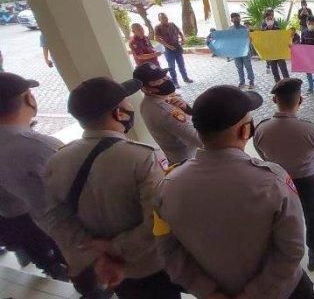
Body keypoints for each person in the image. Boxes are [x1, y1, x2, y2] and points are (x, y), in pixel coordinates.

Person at [154, 85, 314, 299]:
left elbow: (169, 252)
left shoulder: (166, 186)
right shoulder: (273, 180)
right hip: (280, 292)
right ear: (245, 130)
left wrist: (208, 292)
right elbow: (292, 251)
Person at [43, 76, 181, 298]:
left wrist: (95, 253)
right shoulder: (143, 158)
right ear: (119, 113)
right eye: (126, 103)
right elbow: (158, 221)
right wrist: (113, 247)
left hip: (107, 269)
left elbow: (56, 218)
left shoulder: (57, 160)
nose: (130, 107)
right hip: (150, 265)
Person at [254, 78, 314, 271]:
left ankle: (286, 255)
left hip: (278, 182)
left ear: (274, 100)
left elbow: (263, 156)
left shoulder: (261, 129)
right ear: (300, 101)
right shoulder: (311, 129)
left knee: (282, 219)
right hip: (309, 182)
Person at [0, 73, 69, 282]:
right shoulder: (38, 146)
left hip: (10, 220)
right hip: (53, 226)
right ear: (29, 98)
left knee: (47, 261)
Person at [133, 62, 201, 165]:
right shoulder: (165, 110)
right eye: (159, 80)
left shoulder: (148, 102)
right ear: (146, 89)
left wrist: (186, 108)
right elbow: (199, 139)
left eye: (165, 76)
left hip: (176, 158)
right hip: (190, 160)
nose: (166, 80)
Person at [155, 13, 193, 87]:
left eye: (165, 17)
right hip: (168, 50)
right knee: (171, 67)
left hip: (177, 47)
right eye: (162, 18)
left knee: (181, 64)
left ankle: (185, 78)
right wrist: (168, 46)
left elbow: (179, 32)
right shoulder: (158, 27)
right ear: (159, 19)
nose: (165, 19)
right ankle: (175, 82)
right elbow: (156, 38)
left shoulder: (172, 24)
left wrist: (183, 39)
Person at [261, 10, 290, 82]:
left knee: (284, 70)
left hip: (279, 53)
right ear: (265, 20)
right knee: (274, 71)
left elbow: (284, 39)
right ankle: (278, 84)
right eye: (268, 19)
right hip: (271, 54)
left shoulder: (278, 29)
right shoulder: (263, 32)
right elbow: (260, 41)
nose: (270, 20)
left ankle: (289, 84)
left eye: (271, 19)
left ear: (273, 20)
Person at [230, 12, 256, 89]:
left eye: (238, 18)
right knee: (239, 67)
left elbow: (250, 39)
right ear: (231, 19)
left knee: (248, 67)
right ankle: (242, 83)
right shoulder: (230, 30)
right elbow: (228, 40)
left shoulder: (245, 29)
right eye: (235, 18)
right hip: (236, 52)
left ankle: (251, 82)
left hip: (245, 51)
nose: (237, 19)